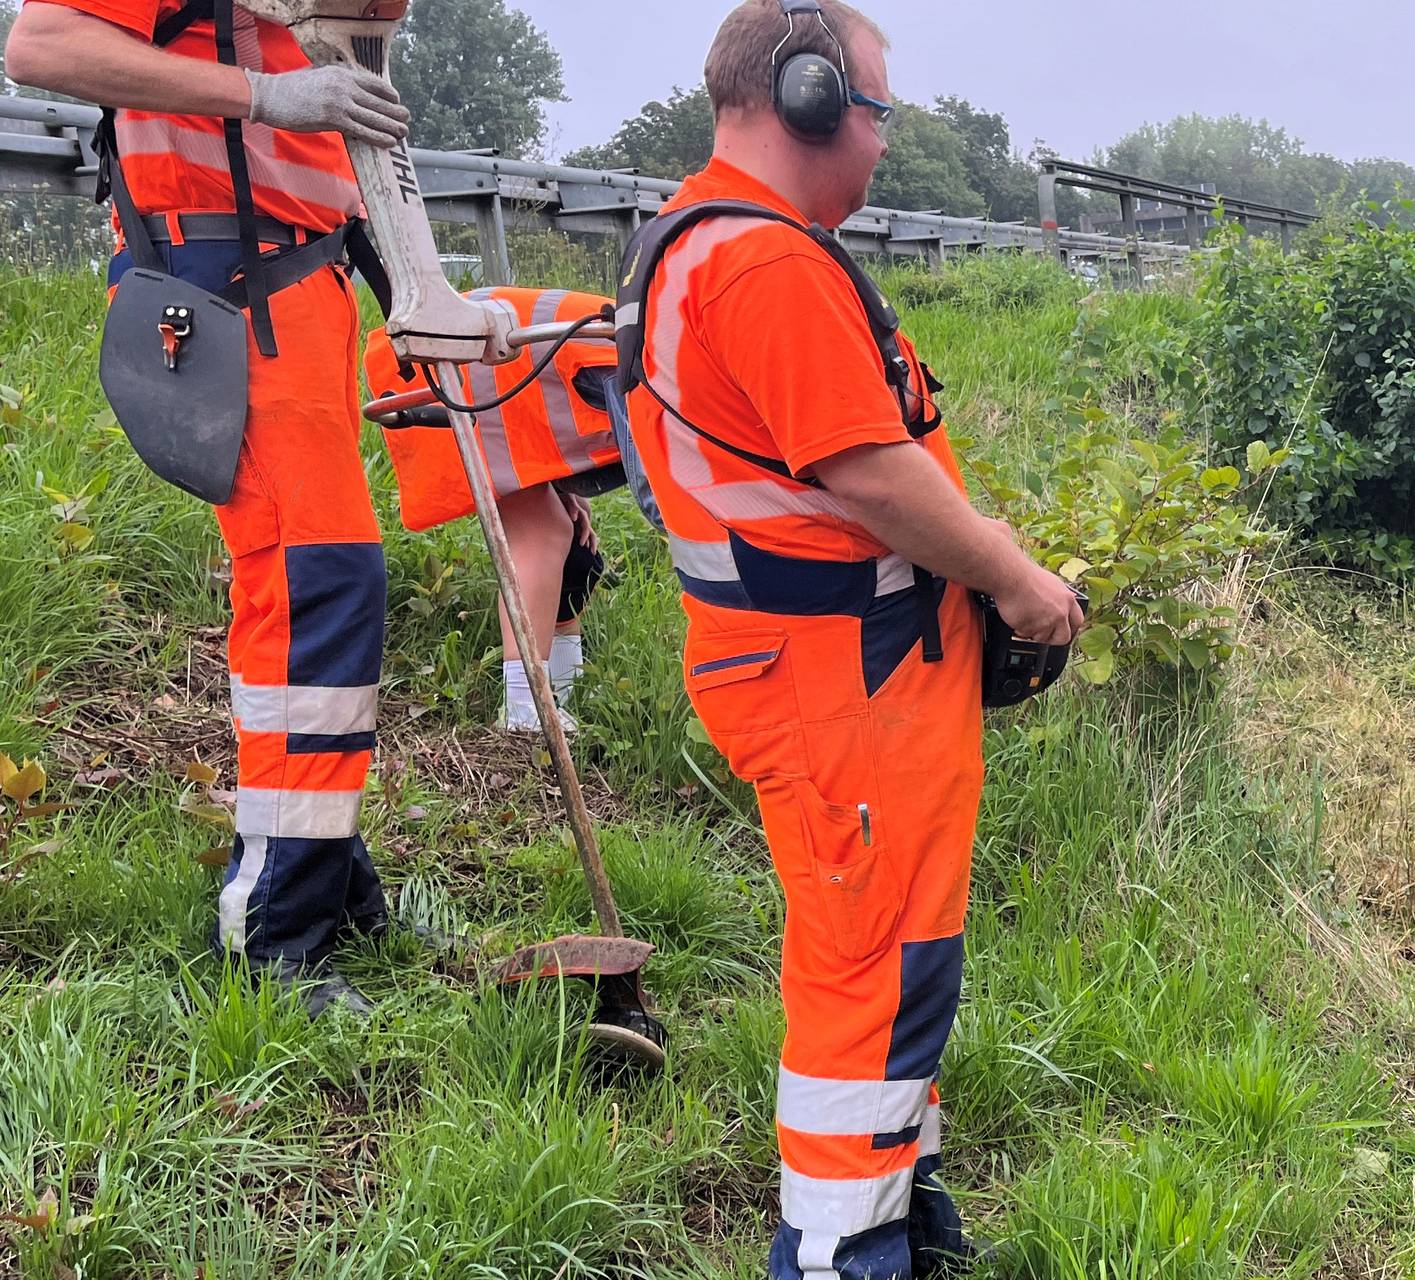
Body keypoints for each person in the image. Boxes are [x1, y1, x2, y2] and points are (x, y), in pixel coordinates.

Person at [614, 3, 1083, 1275]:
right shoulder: (763, 264)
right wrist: (1020, 581)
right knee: (871, 971)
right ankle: (837, 1249)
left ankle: (899, 1203)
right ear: (810, 99)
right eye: (872, 110)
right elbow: (869, 472)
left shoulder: (708, 238)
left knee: (892, 955)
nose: (878, 141)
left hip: (832, 664)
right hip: (840, 679)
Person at [5, 0, 432, 1015]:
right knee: (317, 588)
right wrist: (268, 94)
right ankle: (275, 933)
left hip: (305, 285)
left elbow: (323, 154)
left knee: (302, 599)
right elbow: (39, 44)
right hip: (229, 288)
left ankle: (329, 880)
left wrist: (412, 290)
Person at [364, 287, 622, 732]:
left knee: (567, 537)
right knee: (541, 534)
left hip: (493, 351)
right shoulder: (677, 367)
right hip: (480, 360)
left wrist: (559, 481)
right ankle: (527, 714)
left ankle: (561, 696)